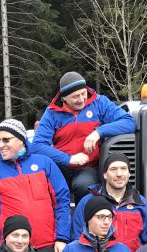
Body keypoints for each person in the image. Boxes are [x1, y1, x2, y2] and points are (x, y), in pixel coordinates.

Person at [32, 71, 137, 201]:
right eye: (75, 96)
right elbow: (37, 146)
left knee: (85, 186)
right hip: (60, 165)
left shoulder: (99, 103)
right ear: (64, 98)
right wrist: (68, 159)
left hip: (88, 167)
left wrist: (98, 132)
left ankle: (84, 219)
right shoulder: (52, 112)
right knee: (41, 186)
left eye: (83, 93)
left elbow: (129, 122)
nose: (81, 99)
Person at [0, 118, 71, 252]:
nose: (1, 145)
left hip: (49, 247)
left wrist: (62, 238)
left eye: (6, 140)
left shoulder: (45, 163)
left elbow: (62, 201)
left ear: (21, 139)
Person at [70, 152, 147, 252]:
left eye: (123, 169)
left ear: (129, 173)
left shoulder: (140, 203)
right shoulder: (88, 202)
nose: (119, 174)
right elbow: (77, 240)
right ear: (105, 174)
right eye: (113, 169)